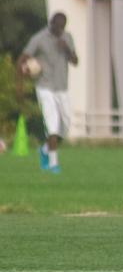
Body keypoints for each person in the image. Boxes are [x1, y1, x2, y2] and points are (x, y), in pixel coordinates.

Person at [17, 12, 78, 173]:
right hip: (44, 87)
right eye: (57, 27)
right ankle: (53, 164)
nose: (59, 30)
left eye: (62, 28)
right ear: (51, 23)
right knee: (52, 124)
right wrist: (20, 86)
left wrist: (66, 49)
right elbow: (21, 59)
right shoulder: (39, 39)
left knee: (65, 127)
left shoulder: (67, 38)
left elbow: (75, 62)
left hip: (62, 87)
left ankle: (44, 150)